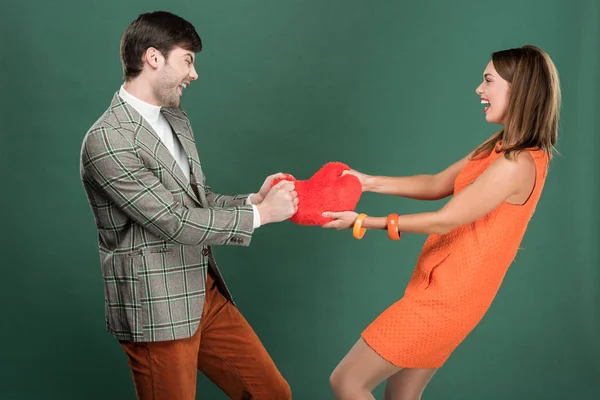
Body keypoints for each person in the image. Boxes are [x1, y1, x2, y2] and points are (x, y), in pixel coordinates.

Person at [79, 11, 296, 400]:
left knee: (272, 393)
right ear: (153, 57)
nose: (193, 74)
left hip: (203, 291)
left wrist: (253, 200)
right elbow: (174, 222)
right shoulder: (107, 140)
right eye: (188, 60)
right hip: (157, 309)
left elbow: (196, 200)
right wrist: (261, 215)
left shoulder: (176, 119)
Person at [323, 45, 560, 400]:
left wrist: (363, 221)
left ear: (520, 88)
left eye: (488, 81)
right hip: (438, 290)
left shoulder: (517, 164)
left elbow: (445, 220)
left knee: (347, 381)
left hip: (447, 301)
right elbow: (437, 184)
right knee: (401, 396)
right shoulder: (499, 147)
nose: (479, 90)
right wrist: (366, 181)